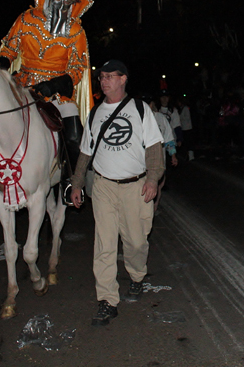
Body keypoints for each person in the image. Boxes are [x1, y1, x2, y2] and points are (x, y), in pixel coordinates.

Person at [0, 0, 125, 204]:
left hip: (55, 91)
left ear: (74, 5)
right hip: (23, 81)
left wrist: (56, 84)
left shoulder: (76, 31)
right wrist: (3, 63)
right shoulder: (27, 19)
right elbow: (10, 46)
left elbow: (78, 67)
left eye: (68, 2)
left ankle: (70, 181)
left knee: (72, 125)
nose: (61, 4)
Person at [70, 60, 164, 326]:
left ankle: (137, 276)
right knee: (105, 244)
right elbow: (85, 151)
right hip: (104, 187)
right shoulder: (95, 113)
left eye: (110, 76)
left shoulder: (140, 109)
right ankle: (107, 300)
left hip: (135, 185)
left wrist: (153, 179)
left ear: (123, 79)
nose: (104, 81)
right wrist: (77, 183)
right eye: (102, 77)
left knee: (136, 242)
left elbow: (154, 148)